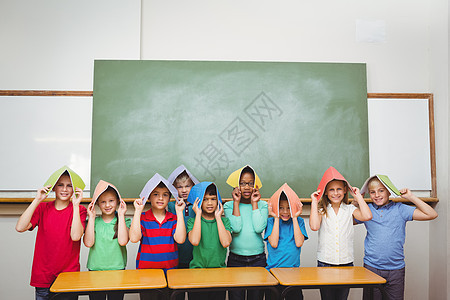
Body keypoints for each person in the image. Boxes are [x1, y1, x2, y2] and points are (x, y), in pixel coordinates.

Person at [357, 175, 438, 300]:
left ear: (389, 191)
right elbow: (345, 220)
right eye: (372, 192)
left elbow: (431, 214)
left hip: (396, 270)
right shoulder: (367, 211)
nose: (377, 195)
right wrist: (357, 201)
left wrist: (411, 197)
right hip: (372, 268)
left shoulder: (401, 209)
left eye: (381, 190)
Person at [15, 166, 87, 300]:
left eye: (69, 186)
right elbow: (20, 227)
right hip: (43, 276)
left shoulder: (80, 210)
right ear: (54, 187)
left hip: (68, 277)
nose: (65, 189)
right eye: (60, 185)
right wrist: (37, 200)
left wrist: (76, 205)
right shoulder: (42, 208)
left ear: (74, 189)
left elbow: (76, 236)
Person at [309, 166, 372, 300]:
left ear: (344, 190)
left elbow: (367, 216)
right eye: (331, 189)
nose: (335, 193)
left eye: (339, 189)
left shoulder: (350, 209)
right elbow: (314, 226)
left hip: (346, 263)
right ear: (325, 192)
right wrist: (314, 202)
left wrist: (358, 196)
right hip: (325, 263)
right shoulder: (321, 211)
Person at [223, 165, 268, 300]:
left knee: (256, 297)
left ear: (256, 185)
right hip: (236, 259)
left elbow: (259, 228)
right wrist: (236, 203)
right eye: (242, 183)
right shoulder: (229, 206)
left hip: (258, 260)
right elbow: (235, 228)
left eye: (250, 183)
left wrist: (255, 203)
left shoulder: (263, 205)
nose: (247, 187)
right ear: (236, 186)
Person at [83, 180, 131, 300]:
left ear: (118, 202)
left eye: (111, 201)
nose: (107, 205)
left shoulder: (124, 222)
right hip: (95, 271)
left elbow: (123, 241)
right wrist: (92, 217)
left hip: (117, 271)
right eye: (103, 202)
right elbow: (88, 243)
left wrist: (121, 215)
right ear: (97, 204)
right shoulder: (92, 222)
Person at [129, 173, 186, 270]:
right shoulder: (142, 217)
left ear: (169, 198)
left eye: (165, 195)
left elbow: (180, 239)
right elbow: (134, 238)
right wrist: (137, 211)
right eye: (156, 194)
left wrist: (180, 212)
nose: (160, 198)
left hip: (170, 271)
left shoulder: (174, 218)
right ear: (149, 197)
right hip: (146, 272)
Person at [187, 182, 232, 300]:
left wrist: (218, 218)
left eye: (213, 199)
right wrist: (198, 215)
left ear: (218, 201)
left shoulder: (224, 222)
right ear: (199, 202)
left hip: (219, 273)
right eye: (205, 199)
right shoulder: (192, 221)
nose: (210, 203)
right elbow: (195, 241)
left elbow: (226, 243)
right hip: (197, 274)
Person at [265, 183, 308, 300]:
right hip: (273, 273)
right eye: (281, 208)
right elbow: (273, 243)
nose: (285, 211)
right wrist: (276, 217)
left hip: (293, 273)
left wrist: (294, 217)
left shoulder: (298, 221)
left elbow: (299, 242)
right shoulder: (271, 222)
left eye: (289, 207)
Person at [167, 165, 200, 269]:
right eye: (180, 187)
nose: (184, 190)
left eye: (187, 186)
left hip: (195, 256)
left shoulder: (198, 206)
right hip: (175, 255)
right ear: (174, 188)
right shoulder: (170, 206)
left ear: (193, 186)